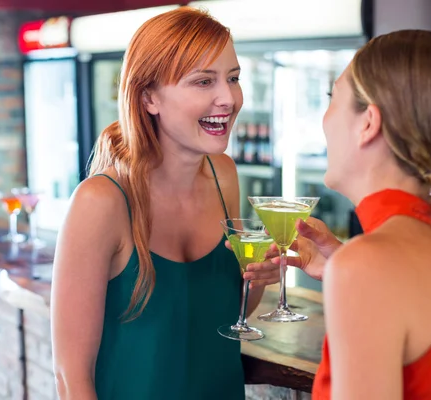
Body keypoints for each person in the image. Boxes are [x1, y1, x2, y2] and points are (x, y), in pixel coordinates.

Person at [246, 30, 431, 399]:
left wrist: (353, 271)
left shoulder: (369, 266)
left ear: (368, 122)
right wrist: (343, 266)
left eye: (331, 98)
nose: (323, 119)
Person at [50, 7, 279, 400]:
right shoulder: (100, 202)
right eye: (204, 81)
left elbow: (226, 314)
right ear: (149, 97)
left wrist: (260, 277)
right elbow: (71, 378)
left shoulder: (224, 175)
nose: (228, 98)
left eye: (233, 78)